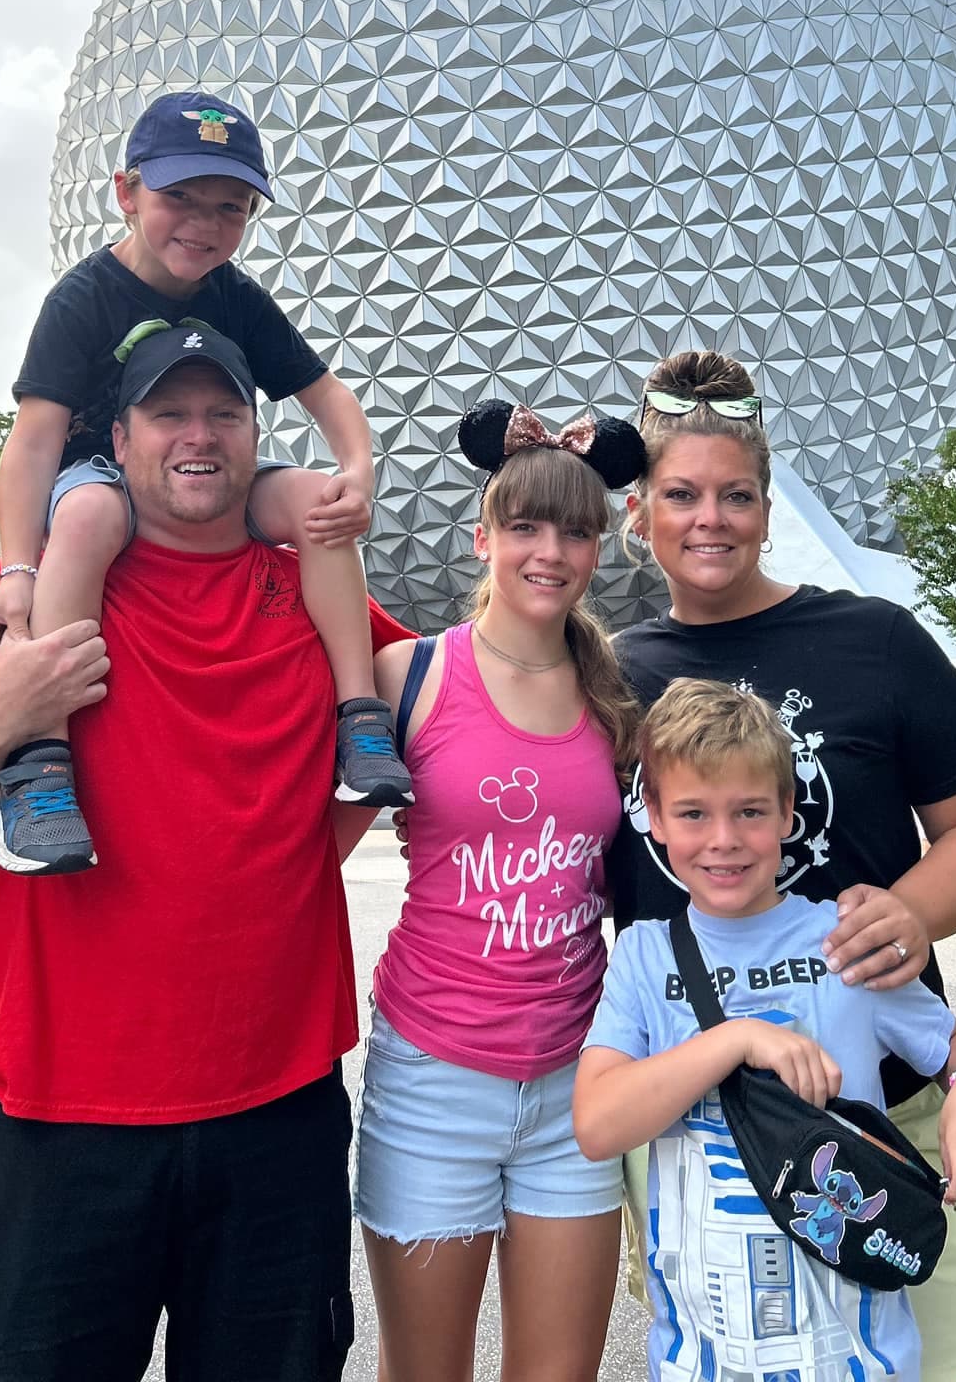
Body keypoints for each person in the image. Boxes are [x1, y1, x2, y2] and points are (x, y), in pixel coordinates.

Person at [0, 322, 407, 1382]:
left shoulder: (321, 600)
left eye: (223, 412)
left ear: (258, 437)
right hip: (57, 1122)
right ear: (119, 435)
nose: (197, 434)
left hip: (277, 1117)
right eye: (170, 412)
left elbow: (454, 706)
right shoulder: (12, 605)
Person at [608, 348, 956, 1382]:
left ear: (766, 499)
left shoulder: (873, 640)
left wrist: (909, 911)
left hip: (880, 1114)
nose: (711, 518)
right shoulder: (609, 673)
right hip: (689, 1135)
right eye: (682, 493)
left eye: (736, 493)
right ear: (638, 510)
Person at [0, 88, 410, 877]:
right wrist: (16, 573)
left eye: (231, 207)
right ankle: (41, 765)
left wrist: (355, 474)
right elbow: (32, 444)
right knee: (88, 516)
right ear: (126, 192)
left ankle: (359, 719)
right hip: (102, 470)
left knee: (314, 504)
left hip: (207, 476)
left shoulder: (235, 296)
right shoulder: (83, 300)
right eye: (180, 198)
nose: (205, 225)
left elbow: (327, 393)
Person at [574, 678, 956, 1382]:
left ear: (788, 812)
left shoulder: (843, 942)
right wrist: (736, 1040)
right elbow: (598, 1123)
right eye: (693, 813)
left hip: (856, 1353)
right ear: (653, 818)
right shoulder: (643, 956)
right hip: (705, 1356)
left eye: (750, 811)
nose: (723, 840)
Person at [357, 398, 645, 1382]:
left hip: (576, 1085)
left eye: (573, 529)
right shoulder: (411, 675)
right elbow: (304, 843)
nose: (548, 549)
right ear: (482, 536)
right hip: (433, 1077)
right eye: (524, 525)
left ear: (598, 547)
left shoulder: (616, 701)